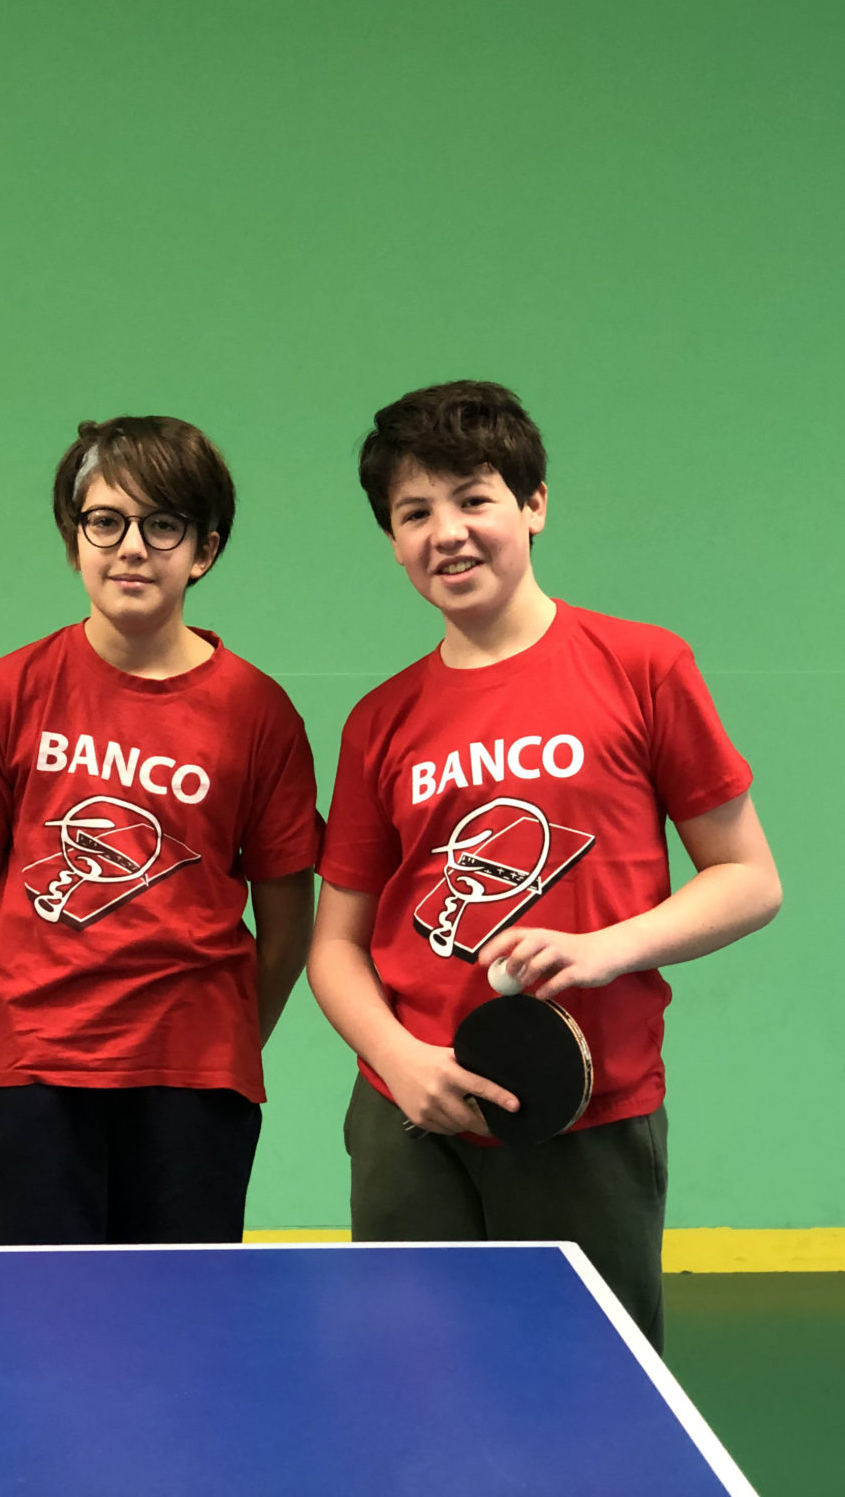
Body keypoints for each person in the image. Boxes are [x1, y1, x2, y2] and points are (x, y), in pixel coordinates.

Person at [308, 381, 781, 1347]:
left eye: (473, 499)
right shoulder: (380, 721)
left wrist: (608, 948)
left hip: (587, 1112)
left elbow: (748, 879)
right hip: (412, 1119)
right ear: (392, 541)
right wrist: (397, 1061)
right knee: (412, 1393)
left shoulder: (642, 667)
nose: (447, 532)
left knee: (587, 1396)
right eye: (414, 513)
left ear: (534, 505)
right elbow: (336, 947)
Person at [0, 416, 322, 1245]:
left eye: (162, 524)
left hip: (194, 1080)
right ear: (76, 541)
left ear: (203, 550)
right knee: (26, 1317)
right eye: (106, 522)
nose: (131, 548)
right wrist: (11, 1033)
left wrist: (217, 1045)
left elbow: (287, 931)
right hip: (27, 1075)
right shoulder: (7, 691)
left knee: (178, 1319)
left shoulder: (260, 712)